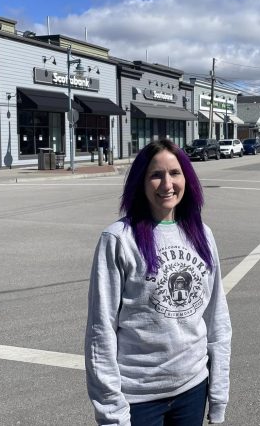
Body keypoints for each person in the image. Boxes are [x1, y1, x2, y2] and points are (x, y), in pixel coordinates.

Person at [85, 139, 232, 426]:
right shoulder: (118, 240)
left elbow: (217, 319)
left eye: (175, 173)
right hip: (138, 397)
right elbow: (100, 331)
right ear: (141, 181)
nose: (167, 184)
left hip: (193, 388)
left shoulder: (201, 235)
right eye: (156, 175)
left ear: (186, 178)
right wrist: (112, 413)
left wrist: (218, 396)